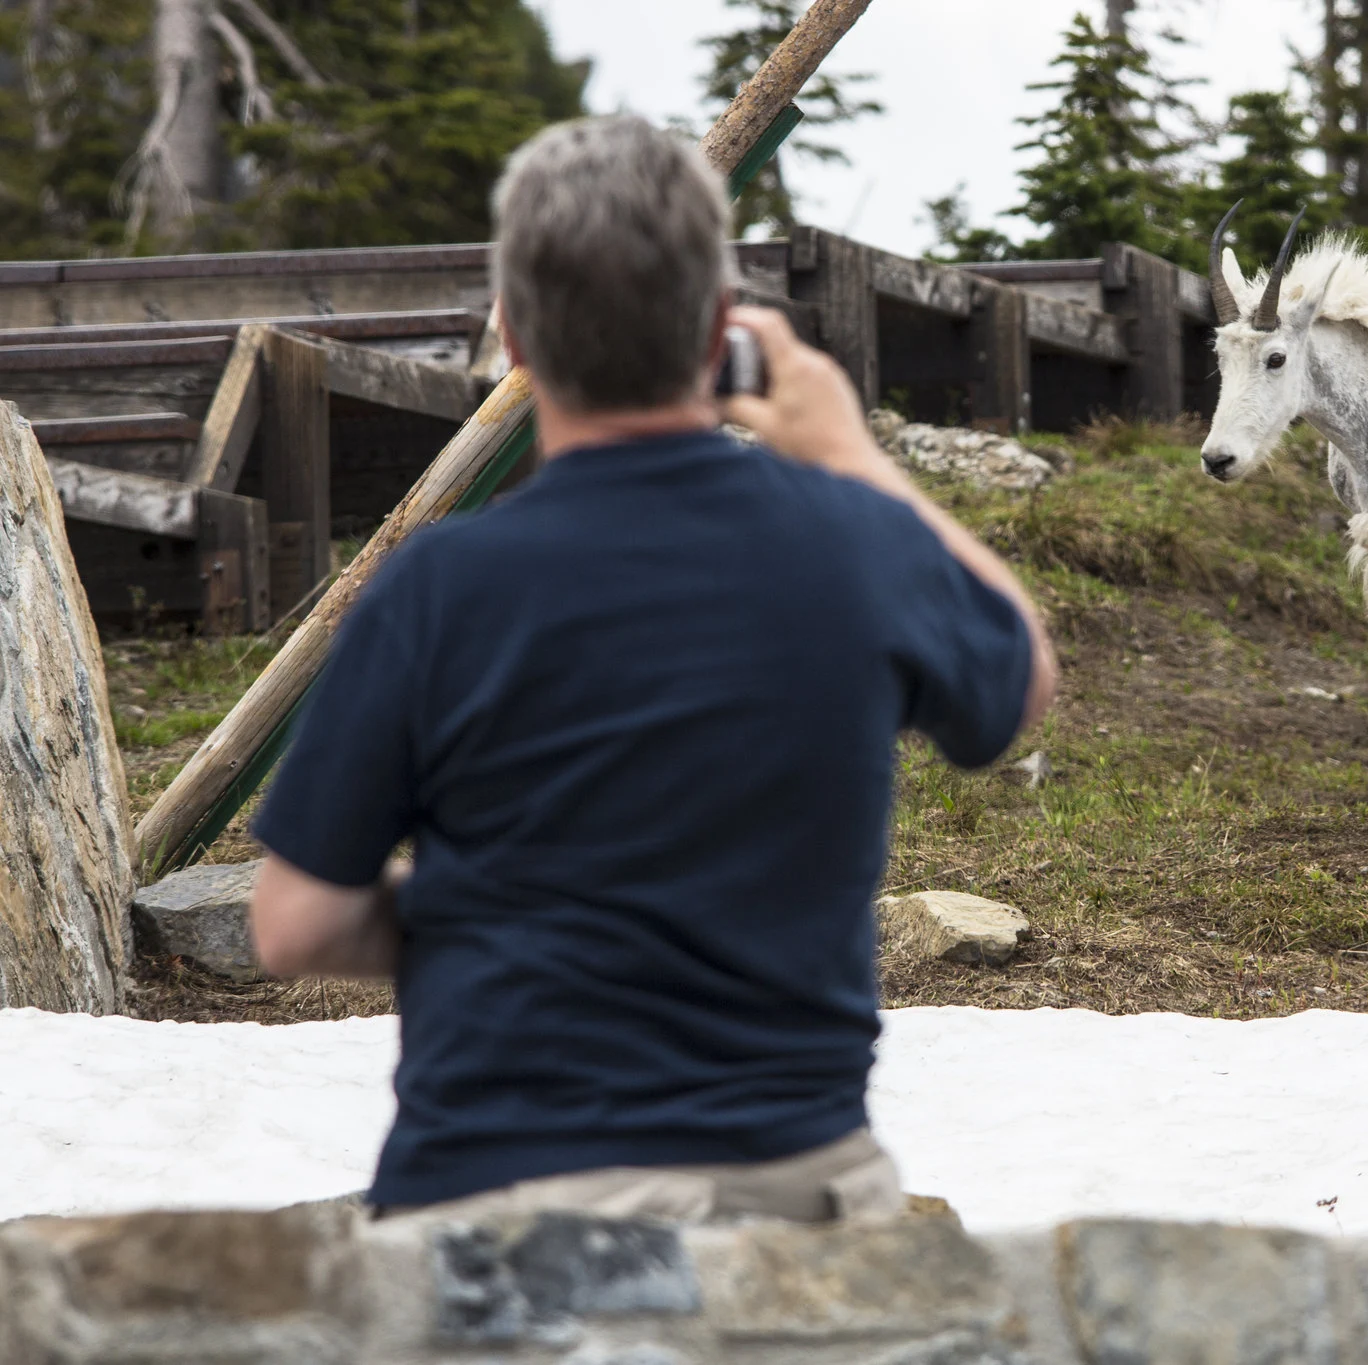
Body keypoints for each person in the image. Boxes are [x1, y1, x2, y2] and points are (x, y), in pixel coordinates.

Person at [246, 114, 1057, 1225]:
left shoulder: (439, 587)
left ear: (513, 340)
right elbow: (1019, 683)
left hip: (499, 1193)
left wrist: (509, 912)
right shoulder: (853, 542)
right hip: (789, 1195)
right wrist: (850, 456)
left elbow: (293, 926)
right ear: (720, 327)